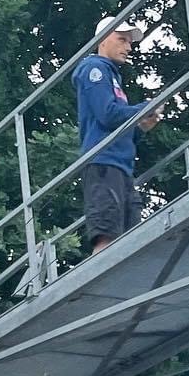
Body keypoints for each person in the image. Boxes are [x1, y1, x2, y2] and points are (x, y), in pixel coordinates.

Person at [73, 17, 163, 255]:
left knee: (129, 241)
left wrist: (141, 126)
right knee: (106, 239)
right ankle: (96, 286)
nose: (128, 46)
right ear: (102, 40)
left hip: (119, 166)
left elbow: (118, 128)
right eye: (121, 39)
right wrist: (143, 108)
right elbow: (108, 115)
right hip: (104, 163)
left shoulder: (112, 76)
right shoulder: (95, 68)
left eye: (130, 42)